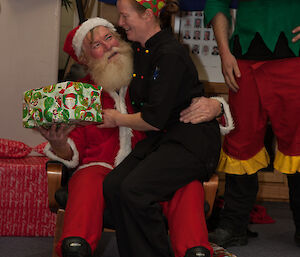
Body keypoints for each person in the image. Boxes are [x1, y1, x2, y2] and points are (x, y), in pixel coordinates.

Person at [39, 17, 231, 257]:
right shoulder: (79, 95)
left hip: (153, 166)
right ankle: (76, 246)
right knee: (88, 178)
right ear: (85, 59)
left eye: (109, 37)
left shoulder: (150, 75)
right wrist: (58, 144)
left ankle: (196, 251)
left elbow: (184, 104)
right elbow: (73, 148)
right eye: (97, 45)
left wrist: (216, 106)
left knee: (186, 183)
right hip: (103, 169)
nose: (108, 46)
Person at [101, 1, 231, 257]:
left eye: (125, 15)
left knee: (134, 190)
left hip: (192, 143)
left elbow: (153, 119)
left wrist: (117, 118)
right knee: (113, 185)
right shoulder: (140, 50)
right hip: (165, 139)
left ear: (148, 15)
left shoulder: (169, 54)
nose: (120, 22)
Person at [182, 0, 300, 248]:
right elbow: (217, 3)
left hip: (294, 59)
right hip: (242, 62)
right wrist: (224, 53)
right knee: (240, 142)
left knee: (299, 144)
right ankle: (233, 226)